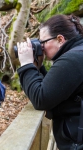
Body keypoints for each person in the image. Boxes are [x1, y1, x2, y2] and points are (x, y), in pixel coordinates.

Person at [16, 14, 83, 150]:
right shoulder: (77, 53)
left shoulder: (71, 59)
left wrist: (26, 64)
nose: (41, 48)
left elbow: (41, 99)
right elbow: (54, 89)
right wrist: (38, 67)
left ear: (60, 39)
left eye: (43, 42)